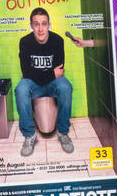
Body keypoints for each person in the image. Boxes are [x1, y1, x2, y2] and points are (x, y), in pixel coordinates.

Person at [15, 8, 74, 157]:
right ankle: (29, 135)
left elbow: (59, 70)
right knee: (21, 89)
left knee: (65, 87)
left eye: (44, 24)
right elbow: (26, 71)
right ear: (31, 26)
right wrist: (51, 73)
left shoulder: (57, 41)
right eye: (36, 24)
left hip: (52, 84)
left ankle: (62, 132)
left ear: (49, 25)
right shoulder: (25, 42)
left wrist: (43, 75)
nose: (40, 29)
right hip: (34, 85)